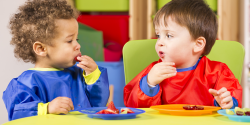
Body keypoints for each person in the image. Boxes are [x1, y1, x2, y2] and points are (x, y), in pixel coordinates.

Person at [123, 0, 242, 109]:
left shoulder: (218, 72)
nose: (159, 42)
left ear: (198, 44)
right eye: (159, 35)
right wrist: (149, 84)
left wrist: (226, 102)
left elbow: (233, 102)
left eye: (169, 35)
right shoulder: (154, 71)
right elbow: (133, 105)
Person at [3, 0, 109, 121]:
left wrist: (93, 76)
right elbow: (17, 113)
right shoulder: (25, 82)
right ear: (41, 48)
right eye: (70, 41)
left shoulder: (79, 74)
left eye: (77, 38)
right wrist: (46, 109)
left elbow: (98, 105)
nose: (78, 45)